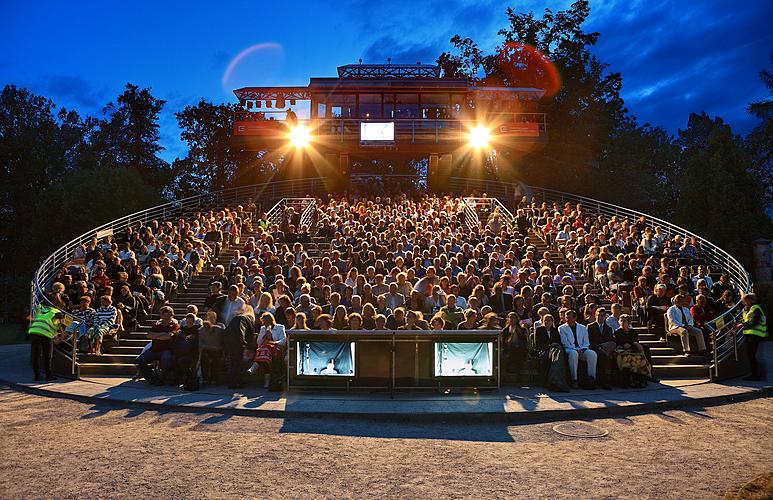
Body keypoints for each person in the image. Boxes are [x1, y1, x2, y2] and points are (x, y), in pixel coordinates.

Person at [136, 306, 179, 385]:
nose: (167, 318)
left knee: (166, 359)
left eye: (169, 316)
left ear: (172, 315)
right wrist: (163, 333)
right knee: (139, 360)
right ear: (161, 316)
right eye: (165, 316)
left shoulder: (174, 325)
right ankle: (152, 378)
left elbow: (168, 337)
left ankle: (162, 379)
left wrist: (156, 335)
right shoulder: (156, 324)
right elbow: (148, 335)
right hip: (154, 349)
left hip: (167, 350)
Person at [558, 310, 597, 389]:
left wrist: (582, 350)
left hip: (582, 349)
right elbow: (565, 343)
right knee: (573, 354)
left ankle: (591, 378)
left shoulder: (583, 327)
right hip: (570, 349)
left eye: (569, 318)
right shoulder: (562, 328)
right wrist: (577, 350)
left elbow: (586, 342)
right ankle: (574, 379)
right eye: (566, 318)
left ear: (575, 318)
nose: (567, 319)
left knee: (592, 354)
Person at [248, 312, 287, 389]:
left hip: (276, 348)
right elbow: (259, 342)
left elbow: (283, 340)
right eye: (263, 322)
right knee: (264, 356)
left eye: (266, 322)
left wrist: (274, 342)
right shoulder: (263, 328)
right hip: (264, 350)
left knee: (264, 352)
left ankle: (254, 368)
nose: (265, 324)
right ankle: (267, 381)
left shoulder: (280, 327)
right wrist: (265, 334)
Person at [27, 305, 64, 381]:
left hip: (33, 331)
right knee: (47, 356)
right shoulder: (57, 311)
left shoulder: (43, 311)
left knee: (35, 355)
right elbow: (59, 320)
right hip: (45, 334)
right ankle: (48, 376)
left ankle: (37, 376)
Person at [613, 314, 651, 388]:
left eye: (624, 321)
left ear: (629, 323)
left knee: (640, 357)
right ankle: (626, 380)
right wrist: (628, 343)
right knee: (626, 357)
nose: (622, 323)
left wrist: (630, 344)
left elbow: (635, 342)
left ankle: (640, 379)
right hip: (621, 349)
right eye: (621, 321)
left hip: (632, 349)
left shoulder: (633, 332)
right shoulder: (617, 332)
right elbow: (619, 341)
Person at [735, 293, 767, 381]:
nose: (743, 301)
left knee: (751, 355)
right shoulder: (746, 309)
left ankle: (756, 375)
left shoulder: (755, 308)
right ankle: (756, 373)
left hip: (755, 334)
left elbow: (753, 322)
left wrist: (741, 325)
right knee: (750, 355)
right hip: (750, 334)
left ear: (749, 300)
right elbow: (746, 319)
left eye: (745, 300)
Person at [223, 306, 256, 389]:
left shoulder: (236, 318)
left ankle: (231, 382)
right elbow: (250, 336)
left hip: (228, 339)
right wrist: (248, 345)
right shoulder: (249, 320)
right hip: (238, 339)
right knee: (238, 362)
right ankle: (237, 382)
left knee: (232, 361)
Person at [534, 312, 568, 391]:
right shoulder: (539, 330)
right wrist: (549, 345)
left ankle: (557, 380)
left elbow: (558, 341)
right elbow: (538, 343)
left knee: (558, 353)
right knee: (546, 356)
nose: (546, 322)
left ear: (552, 322)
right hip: (543, 349)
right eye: (545, 320)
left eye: (549, 320)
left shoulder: (555, 330)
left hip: (554, 349)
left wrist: (553, 344)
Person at [587, 308, 616, 390]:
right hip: (594, 348)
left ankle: (615, 380)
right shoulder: (590, 327)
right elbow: (589, 341)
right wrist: (599, 347)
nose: (601, 317)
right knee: (602, 356)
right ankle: (602, 381)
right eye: (599, 315)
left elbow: (610, 340)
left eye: (603, 315)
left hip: (606, 349)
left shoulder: (608, 328)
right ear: (595, 316)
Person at [198, 310, 225, 385]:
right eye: (209, 317)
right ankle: (205, 378)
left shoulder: (221, 326)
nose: (210, 318)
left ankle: (214, 378)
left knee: (215, 360)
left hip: (218, 349)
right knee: (205, 358)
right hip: (206, 349)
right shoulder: (202, 328)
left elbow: (223, 336)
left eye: (212, 317)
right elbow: (200, 342)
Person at [502, 311, 528, 377]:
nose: (512, 319)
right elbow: (503, 341)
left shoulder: (522, 329)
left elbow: (524, 341)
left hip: (520, 347)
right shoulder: (505, 330)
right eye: (510, 318)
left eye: (514, 318)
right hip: (509, 348)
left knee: (519, 352)